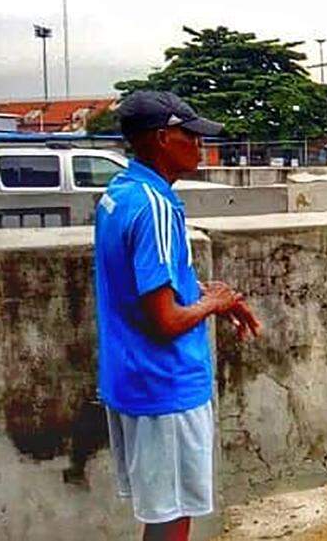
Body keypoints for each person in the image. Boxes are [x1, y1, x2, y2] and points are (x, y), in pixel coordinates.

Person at [95, 91, 262, 541]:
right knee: (172, 518)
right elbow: (165, 321)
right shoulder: (155, 207)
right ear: (163, 138)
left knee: (164, 512)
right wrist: (214, 304)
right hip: (164, 385)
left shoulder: (120, 194)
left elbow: (143, 286)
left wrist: (203, 292)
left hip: (133, 378)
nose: (200, 145)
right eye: (190, 136)